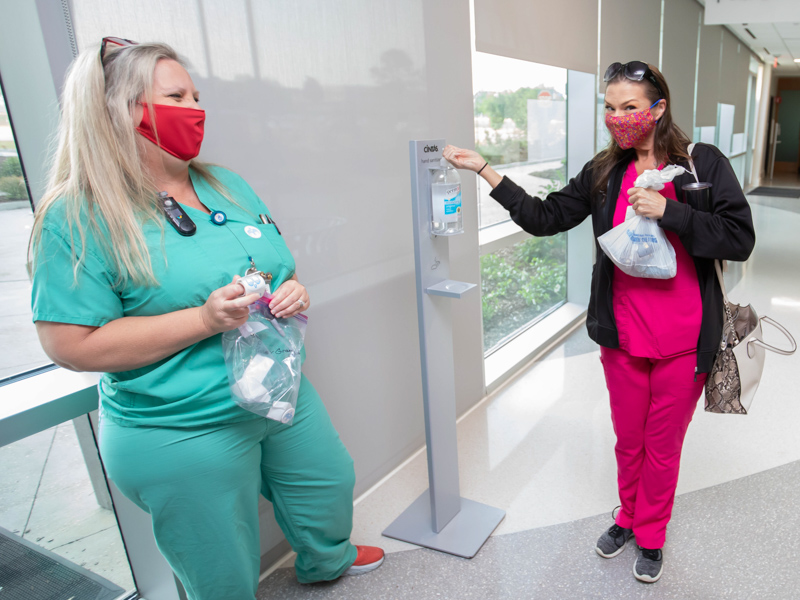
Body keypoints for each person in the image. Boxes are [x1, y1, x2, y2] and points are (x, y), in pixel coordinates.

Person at [29, 38, 384, 600]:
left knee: (327, 483)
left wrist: (293, 291)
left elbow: (277, 267)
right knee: (219, 567)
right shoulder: (77, 216)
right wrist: (202, 319)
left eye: (196, 95)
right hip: (182, 424)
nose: (195, 109)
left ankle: (326, 559)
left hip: (278, 392)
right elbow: (70, 345)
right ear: (119, 111)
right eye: (176, 96)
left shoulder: (224, 183)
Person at [443, 60, 754, 584]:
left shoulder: (702, 165)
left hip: (684, 338)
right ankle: (628, 516)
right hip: (624, 334)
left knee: (663, 445)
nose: (617, 118)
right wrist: (485, 171)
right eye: (609, 108)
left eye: (630, 107)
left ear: (657, 109)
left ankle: (651, 535)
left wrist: (669, 211)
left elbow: (738, 238)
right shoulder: (604, 171)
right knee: (628, 439)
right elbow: (545, 218)